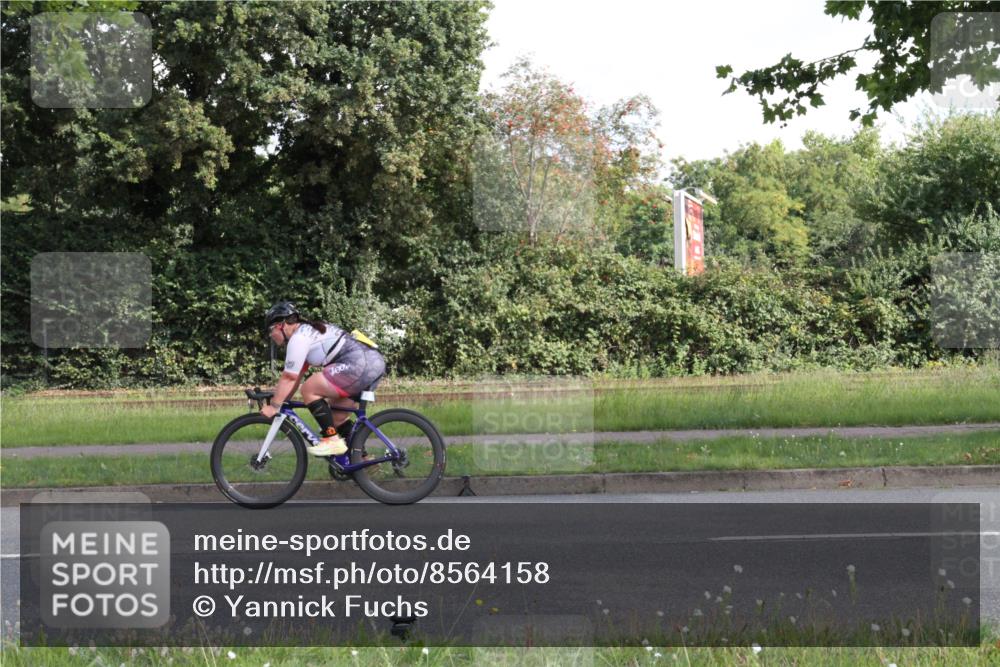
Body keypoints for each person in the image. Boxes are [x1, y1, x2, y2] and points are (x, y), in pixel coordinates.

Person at [260, 301, 385, 457]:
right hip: (370, 362)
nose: (271, 336)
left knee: (309, 388)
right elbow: (296, 376)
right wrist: (281, 400)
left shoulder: (299, 338)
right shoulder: (306, 333)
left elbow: (289, 377)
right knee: (335, 419)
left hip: (359, 363)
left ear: (281, 325)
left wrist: (274, 406)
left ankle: (331, 441)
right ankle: (361, 461)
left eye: (270, 331)